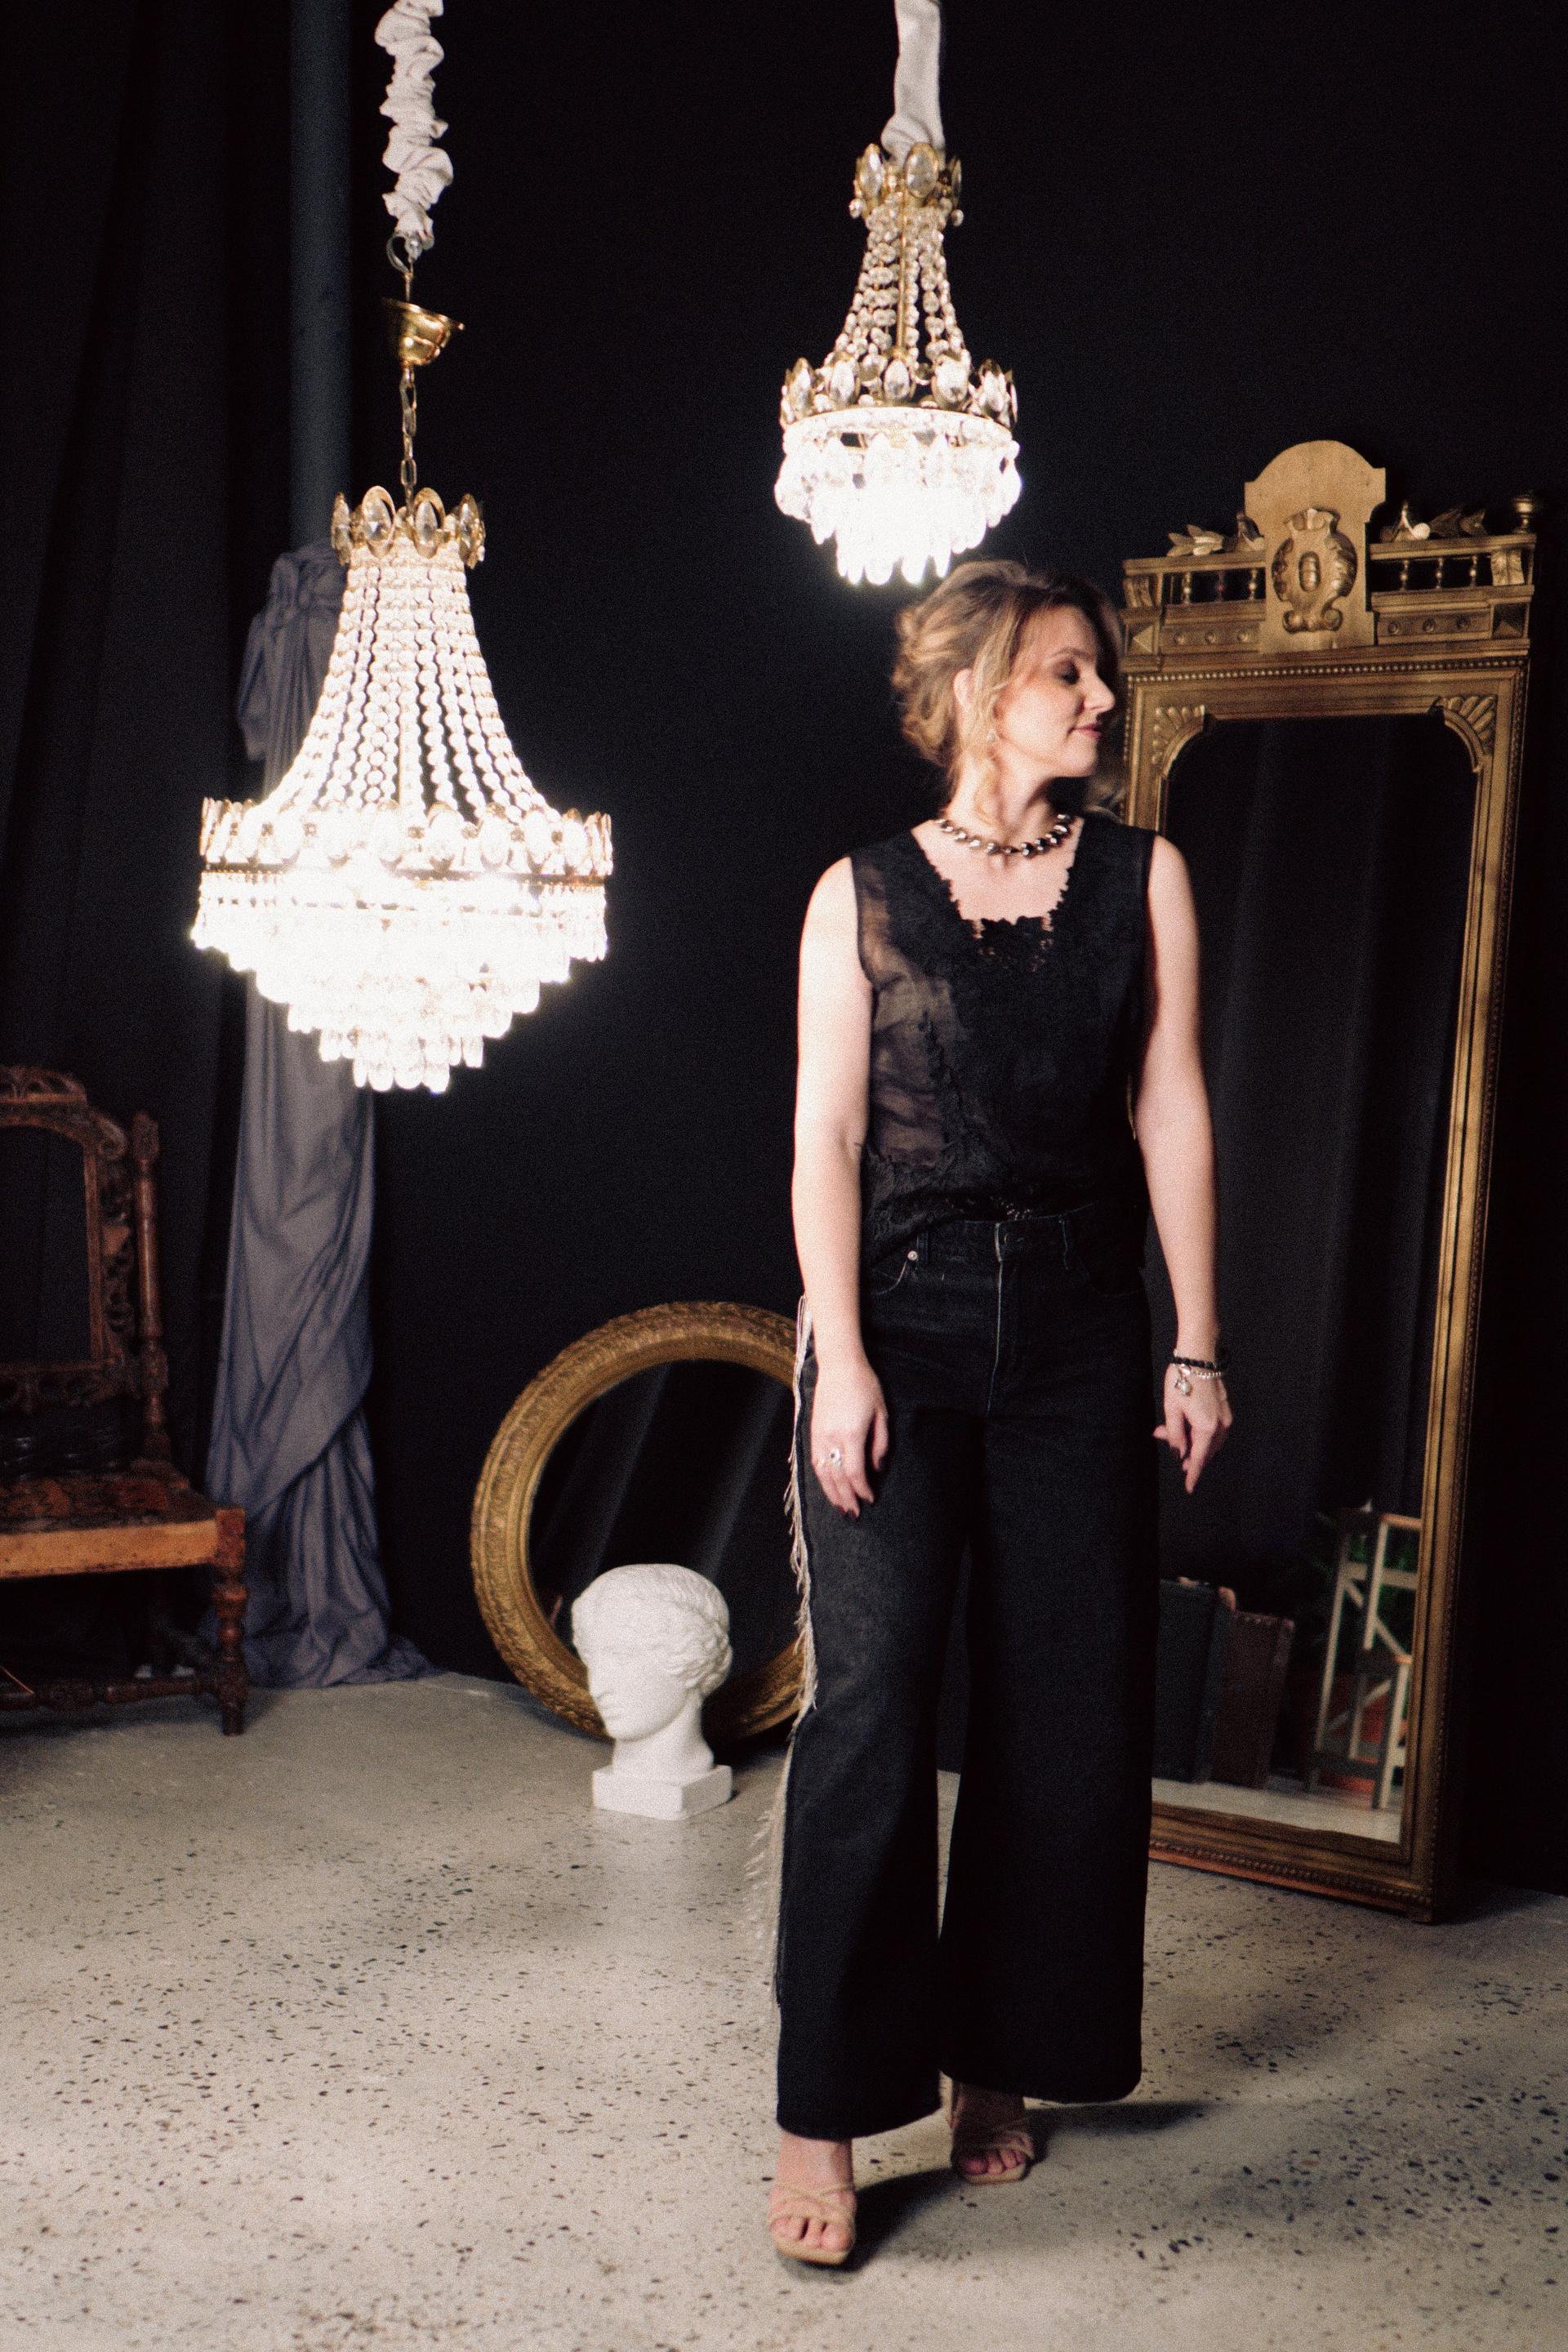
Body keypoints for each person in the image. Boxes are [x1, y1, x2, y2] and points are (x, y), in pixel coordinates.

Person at [768, 560, 1232, 2267]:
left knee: (1064, 1713)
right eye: (1066, 674)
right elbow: (825, 1140)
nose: (1101, 700)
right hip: (900, 1324)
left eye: (1099, 674)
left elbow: (1171, 1109)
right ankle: (822, 2112)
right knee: (872, 1713)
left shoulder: (1144, 878)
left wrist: (1197, 1344)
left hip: (1086, 1335)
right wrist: (845, 1357)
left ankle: (998, 2057)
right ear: (978, 694)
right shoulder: (859, 892)